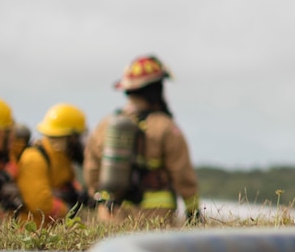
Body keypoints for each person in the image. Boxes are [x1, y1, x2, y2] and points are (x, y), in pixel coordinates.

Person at [85, 55, 201, 223]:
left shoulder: (106, 125)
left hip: (111, 217)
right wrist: (194, 212)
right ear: (157, 89)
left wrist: (101, 199)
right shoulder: (167, 128)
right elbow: (183, 175)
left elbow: (92, 169)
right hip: (155, 219)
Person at [18, 104, 88, 224]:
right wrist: (71, 211)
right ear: (70, 137)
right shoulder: (34, 159)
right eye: (78, 137)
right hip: (30, 233)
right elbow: (40, 204)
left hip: (51, 232)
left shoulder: (62, 157)